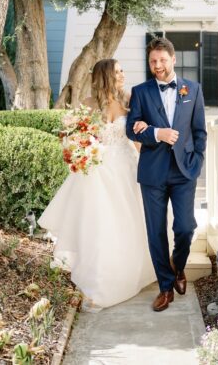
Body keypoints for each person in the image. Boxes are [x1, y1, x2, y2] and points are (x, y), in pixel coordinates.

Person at [38, 59, 155, 311]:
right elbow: (75, 136)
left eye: (123, 70)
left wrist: (152, 165)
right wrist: (79, 149)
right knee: (99, 226)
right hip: (96, 172)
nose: (123, 74)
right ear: (105, 76)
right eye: (118, 71)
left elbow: (136, 140)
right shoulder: (88, 104)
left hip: (125, 169)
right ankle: (98, 284)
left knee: (127, 222)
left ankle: (125, 273)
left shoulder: (130, 101)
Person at [126, 37, 207, 312]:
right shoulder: (140, 92)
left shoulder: (192, 89)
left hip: (185, 170)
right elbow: (130, 129)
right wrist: (156, 133)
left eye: (162, 60)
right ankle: (165, 287)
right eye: (153, 61)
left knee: (185, 227)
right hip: (153, 172)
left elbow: (199, 131)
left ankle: (178, 265)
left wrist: (197, 161)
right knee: (155, 232)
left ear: (173, 59)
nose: (157, 65)